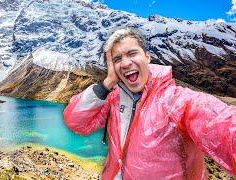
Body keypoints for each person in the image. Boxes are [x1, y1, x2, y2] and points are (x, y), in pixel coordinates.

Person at [63, 27, 236, 179]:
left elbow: (223, 125)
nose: (125, 63)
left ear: (147, 57)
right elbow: (75, 120)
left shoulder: (175, 101)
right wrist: (107, 82)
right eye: (117, 59)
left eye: (132, 53)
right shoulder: (114, 99)